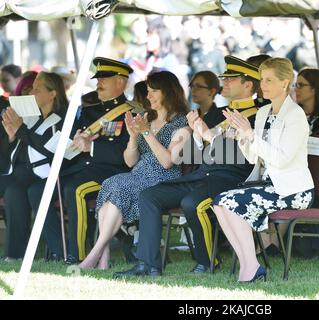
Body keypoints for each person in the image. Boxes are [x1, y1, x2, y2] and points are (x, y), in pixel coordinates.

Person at [113, 55, 260, 278]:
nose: (224, 83)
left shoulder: (260, 114)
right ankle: (148, 264)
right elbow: (196, 153)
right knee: (150, 195)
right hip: (203, 174)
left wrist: (206, 135)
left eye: (230, 79)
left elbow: (246, 157)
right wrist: (198, 134)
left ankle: (208, 259)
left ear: (248, 84)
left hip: (232, 177)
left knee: (191, 203)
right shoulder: (217, 114)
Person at [213, 57, 314, 282]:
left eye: (269, 80)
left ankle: (250, 266)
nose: (263, 85)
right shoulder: (262, 112)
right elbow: (254, 157)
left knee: (228, 202)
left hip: (294, 190)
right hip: (269, 185)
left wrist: (249, 134)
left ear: (285, 83)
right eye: (262, 80)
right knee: (219, 202)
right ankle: (249, 263)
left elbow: (281, 160)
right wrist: (242, 135)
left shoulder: (295, 115)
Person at [28, 57, 134, 264]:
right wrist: (75, 141)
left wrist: (92, 146)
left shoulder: (131, 113)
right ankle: (59, 249)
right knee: (37, 190)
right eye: (98, 78)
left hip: (110, 173)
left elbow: (124, 155)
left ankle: (78, 255)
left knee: (75, 190)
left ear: (120, 82)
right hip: (79, 167)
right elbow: (74, 142)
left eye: (104, 78)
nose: (98, 82)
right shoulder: (88, 110)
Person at [79, 71, 190, 269]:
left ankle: (94, 254)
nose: (148, 96)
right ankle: (103, 258)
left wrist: (146, 133)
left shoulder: (181, 122)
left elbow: (167, 162)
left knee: (121, 187)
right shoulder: (148, 118)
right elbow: (130, 162)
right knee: (112, 183)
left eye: (154, 91)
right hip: (138, 174)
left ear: (168, 92)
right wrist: (132, 137)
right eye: (148, 91)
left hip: (163, 179)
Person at [0, 72, 68, 260]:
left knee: (23, 191)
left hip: (48, 174)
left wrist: (21, 130)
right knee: (13, 190)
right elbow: (9, 150)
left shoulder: (62, 118)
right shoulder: (31, 117)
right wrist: (12, 135)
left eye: (37, 89)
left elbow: (49, 148)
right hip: (22, 171)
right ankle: (15, 254)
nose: (32, 92)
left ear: (53, 93)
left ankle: (52, 250)